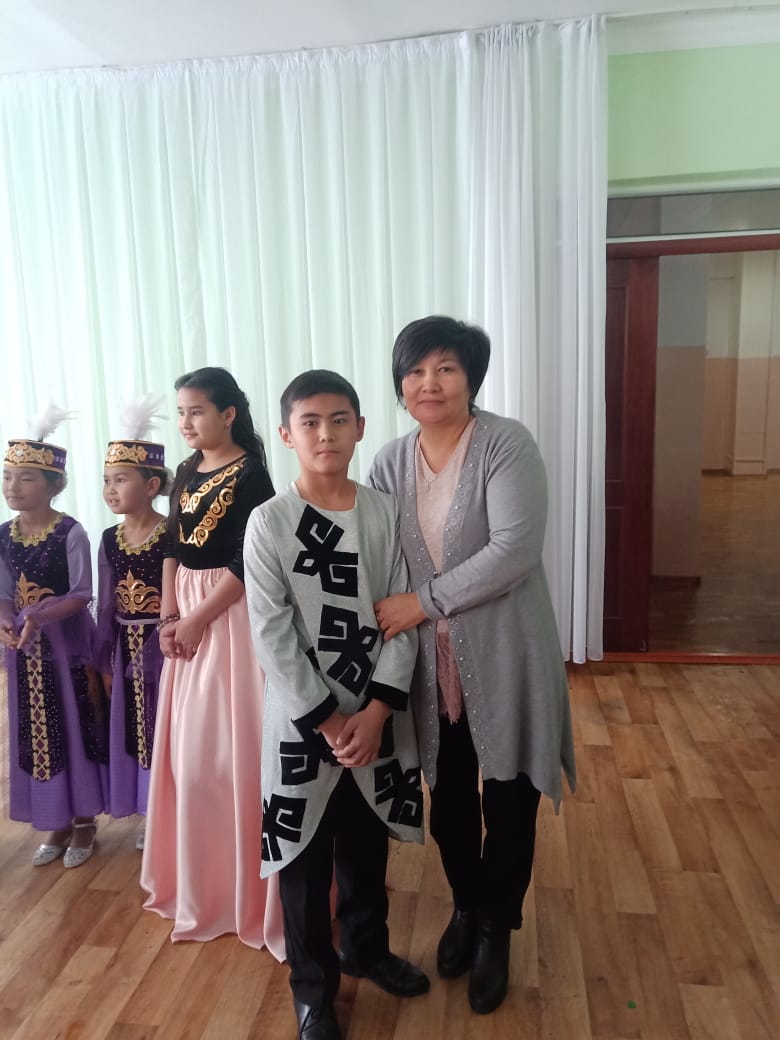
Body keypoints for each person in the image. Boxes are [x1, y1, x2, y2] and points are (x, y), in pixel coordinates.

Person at [369, 316, 576, 1015]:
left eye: (446, 368)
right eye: (416, 371)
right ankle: (466, 903)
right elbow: (377, 554)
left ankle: (495, 927)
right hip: (430, 665)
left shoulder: (506, 444)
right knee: (450, 796)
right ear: (400, 384)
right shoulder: (388, 462)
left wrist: (422, 602)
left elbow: (515, 549)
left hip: (506, 649)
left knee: (509, 798)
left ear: (471, 378)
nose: (429, 383)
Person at [244, 370, 428, 1040]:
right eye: (311, 422)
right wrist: (328, 720)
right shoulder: (269, 522)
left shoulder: (385, 513)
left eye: (340, 419)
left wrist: (375, 713)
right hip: (305, 726)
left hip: (375, 716)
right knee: (303, 862)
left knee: (365, 844)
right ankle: (313, 993)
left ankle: (368, 950)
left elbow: (403, 616)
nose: (326, 434)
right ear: (286, 434)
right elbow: (272, 634)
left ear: (359, 428)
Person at [140, 366, 283, 956]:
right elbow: (173, 546)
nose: (186, 422)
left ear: (228, 414)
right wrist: (169, 614)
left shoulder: (252, 474)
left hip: (232, 615)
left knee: (230, 754)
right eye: (181, 412)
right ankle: (201, 881)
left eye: (196, 411)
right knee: (190, 756)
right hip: (187, 611)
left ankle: (245, 889)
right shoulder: (184, 471)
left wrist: (198, 618)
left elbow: (250, 561)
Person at [0, 414, 108, 869]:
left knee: (74, 725)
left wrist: (37, 615)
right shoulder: (3, 535)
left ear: (53, 485)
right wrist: (6, 619)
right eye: (8, 476)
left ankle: (84, 819)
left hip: (66, 649)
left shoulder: (71, 532)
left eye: (26, 478)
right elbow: (4, 591)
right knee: (34, 730)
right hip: (24, 652)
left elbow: (82, 593)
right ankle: (55, 819)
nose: (13, 487)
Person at [96, 402, 170, 849]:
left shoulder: (172, 533)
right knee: (135, 730)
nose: (111, 489)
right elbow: (106, 604)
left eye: (121, 479)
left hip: (165, 646)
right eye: (107, 480)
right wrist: (105, 660)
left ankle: (170, 808)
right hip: (125, 647)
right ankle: (147, 809)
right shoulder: (110, 538)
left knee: (166, 727)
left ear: (152, 484)